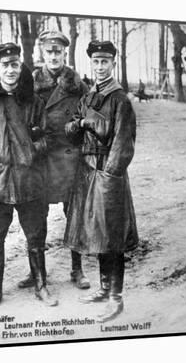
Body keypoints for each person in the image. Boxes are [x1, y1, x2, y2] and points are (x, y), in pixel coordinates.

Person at [0, 43, 58, 312]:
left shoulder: (33, 100)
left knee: (36, 235)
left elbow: (49, 136)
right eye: (5, 65)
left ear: (21, 66)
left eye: (15, 64)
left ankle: (41, 285)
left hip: (30, 179)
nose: (10, 70)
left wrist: (31, 150)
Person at [64, 41, 138, 322]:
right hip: (87, 171)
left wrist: (110, 174)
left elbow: (123, 143)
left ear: (112, 64)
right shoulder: (88, 95)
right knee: (97, 234)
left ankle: (116, 298)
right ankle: (104, 289)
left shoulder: (119, 98)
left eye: (104, 62)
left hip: (108, 174)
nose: (99, 67)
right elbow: (70, 131)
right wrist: (81, 124)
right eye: (95, 62)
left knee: (113, 236)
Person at [17, 30, 91, 290]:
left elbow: (89, 119)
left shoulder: (77, 84)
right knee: (35, 218)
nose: (54, 56)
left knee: (74, 215)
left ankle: (77, 269)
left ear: (65, 53)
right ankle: (37, 272)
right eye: (49, 51)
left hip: (70, 159)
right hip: (39, 160)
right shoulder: (29, 82)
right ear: (42, 52)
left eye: (58, 51)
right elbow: (20, 117)